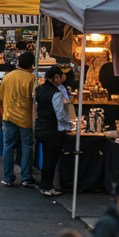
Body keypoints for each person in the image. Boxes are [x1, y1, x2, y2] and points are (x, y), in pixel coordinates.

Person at [0, 52, 38, 188]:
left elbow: (0, 98)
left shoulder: (8, 77)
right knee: (27, 146)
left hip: (8, 116)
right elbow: (35, 100)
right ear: (31, 64)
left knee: (8, 146)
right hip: (25, 118)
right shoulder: (31, 78)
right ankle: (26, 177)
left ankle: (8, 177)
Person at [35, 67, 75, 196]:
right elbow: (60, 114)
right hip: (52, 130)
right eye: (60, 76)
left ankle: (45, 185)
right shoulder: (56, 93)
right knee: (50, 159)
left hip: (40, 127)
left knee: (46, 158)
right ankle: (47, 187)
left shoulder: (39, 89)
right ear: (55, 77)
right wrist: (70, 124)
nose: (61, 79)